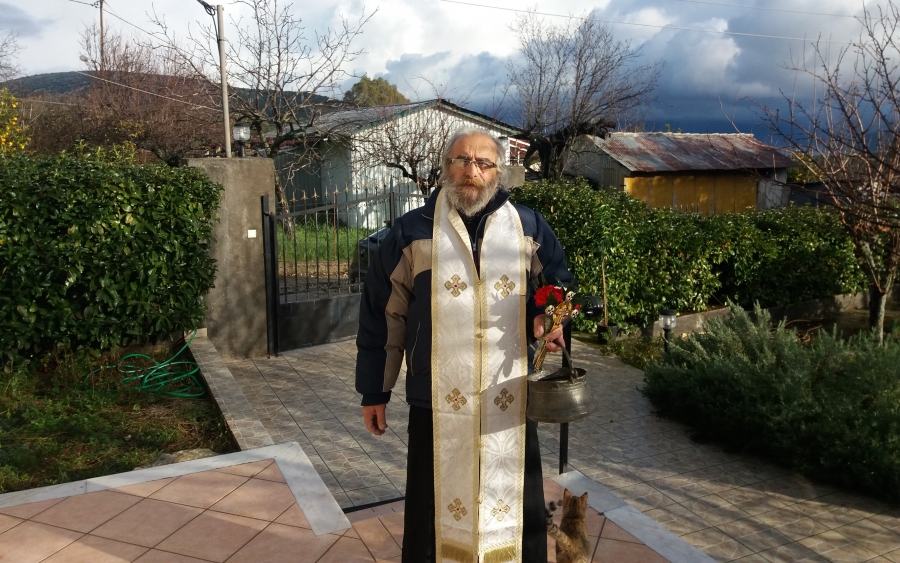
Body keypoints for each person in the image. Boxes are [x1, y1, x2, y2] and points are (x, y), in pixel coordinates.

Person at [356, 129, 572, 563]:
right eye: (462, 160)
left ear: (497, 172)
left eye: (483, 163)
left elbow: (558, 288)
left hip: (507, 391)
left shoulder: (528, 227)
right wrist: (374, 391)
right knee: (432, 508)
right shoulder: (411, 231)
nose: (472, 170)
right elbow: (383, 313)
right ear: (446, 168)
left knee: (513, 498)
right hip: (435, 396)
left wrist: (548, 319)